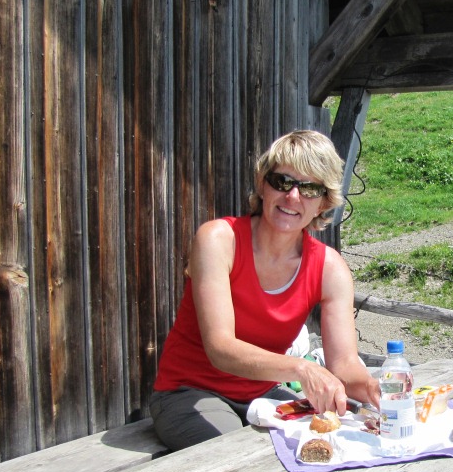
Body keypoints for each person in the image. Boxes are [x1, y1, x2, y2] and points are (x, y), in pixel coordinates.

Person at [150, 129, 382, 451]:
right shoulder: (219, 240)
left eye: (310, 188)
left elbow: (343, 363)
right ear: (263, 185)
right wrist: (302, 369)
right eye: (282, 182)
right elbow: (220, 348)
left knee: (339, 437)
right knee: (241, 455)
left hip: (261, 394)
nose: (293, 197)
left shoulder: (330, 268)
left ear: (324, 203)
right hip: (190, 391)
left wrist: (374, 389)